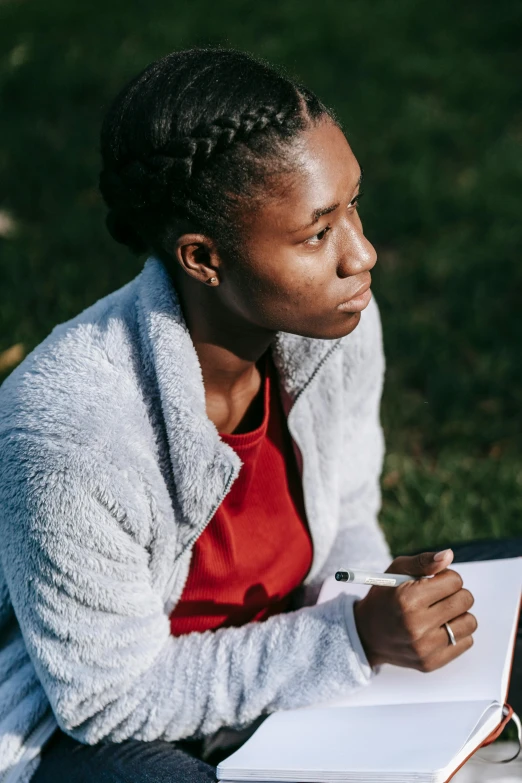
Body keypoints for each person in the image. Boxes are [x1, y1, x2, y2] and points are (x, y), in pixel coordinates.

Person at [0, 48, 518, 783]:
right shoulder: (69, 434)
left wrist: (374, 590)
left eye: (353, 207)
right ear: (204, 258)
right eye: (317, 234)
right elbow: (103, 699)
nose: (362, 253)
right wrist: (348, 639)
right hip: (104, 731)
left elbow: (346, 512)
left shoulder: (335, 325)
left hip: (287, 663)